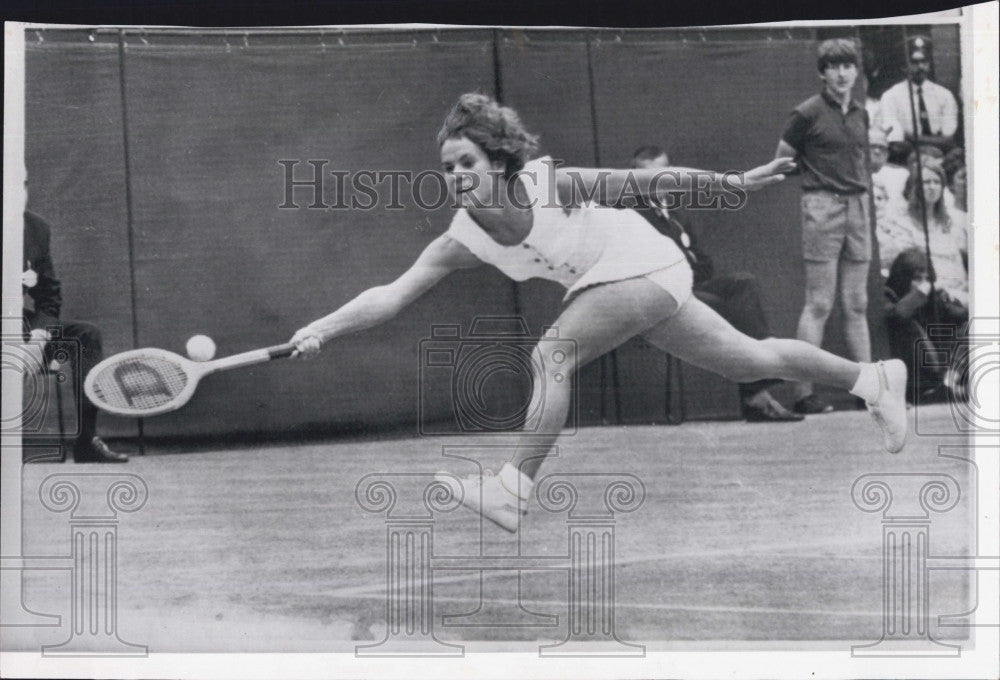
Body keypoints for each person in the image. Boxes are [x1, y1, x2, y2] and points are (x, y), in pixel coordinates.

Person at [290, 94, 908, 533]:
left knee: (551, 354)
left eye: (468, 163)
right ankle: (874, 379)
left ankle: (512, 490)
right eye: (448, 167)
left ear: (498, 163)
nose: (456, 175)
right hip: (630, 284)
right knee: (753, 362)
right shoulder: (462, 239)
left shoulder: (548, 183)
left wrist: (737, 182)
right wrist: (322, 327)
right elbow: (391, 295)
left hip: (643, 263)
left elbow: (653, 187)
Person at [628, 145, 802, 422]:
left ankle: (759, 371)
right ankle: (758, 391)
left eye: (663, 174)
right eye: (648, 176)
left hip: (693, 284)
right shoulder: (632, 214)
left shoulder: (675, 211)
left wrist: (691, 270)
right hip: (663, 292)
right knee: (722, 306)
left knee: (743, 285)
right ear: (634, 176)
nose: (657, 182)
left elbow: (704, 261)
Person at [775, 39, 873, 415]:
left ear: (856, 70)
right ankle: (803, 393)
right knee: (819, 302)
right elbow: (783, 160)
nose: (842, 72)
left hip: (858, 208)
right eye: (833, 66)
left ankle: (868, 389)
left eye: (848, 65)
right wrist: (818, 181)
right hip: (822, 207)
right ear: (822, 72)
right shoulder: (807, 113)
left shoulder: (862, 113)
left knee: (857, 303)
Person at [23, 209, 128, 463]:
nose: (18, 191)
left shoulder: (36, 228)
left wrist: (37, 339)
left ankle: (86, 441)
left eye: (23, 184)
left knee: (85, 335)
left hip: (19, 326)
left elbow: (48, 296)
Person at [883, 247, 967, 404]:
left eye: (925, 279)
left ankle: (949, 381)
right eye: (917, 278)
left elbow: (960, 315)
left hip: (938, 363)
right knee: (909, 325)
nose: (922, 284)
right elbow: (898, 314)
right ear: (903, 277)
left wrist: (948, 299)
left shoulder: (929, 295)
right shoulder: (888, 294)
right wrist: (921, 293)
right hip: (910, 373)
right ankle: (939, 384)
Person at [896, 160, 969, 308]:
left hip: (962, 293)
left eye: (936, 182)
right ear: (914, 186)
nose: (932, 187)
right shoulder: (901, 223)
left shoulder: (955, 220)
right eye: (926, 182)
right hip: (929, 298)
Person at [880, 35, 959, 158]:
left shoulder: (945, 95)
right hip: (907, 159)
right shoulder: (891, 97)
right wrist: (935, 141)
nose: (921, 67)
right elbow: (897, 143)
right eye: (914, 62)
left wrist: (911, 137)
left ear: (929, 64)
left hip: (942, 157)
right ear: (904, 65)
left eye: (924, 61)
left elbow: (948, 140)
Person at [869, 127, 909, 214]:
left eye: (882, 147)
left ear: (887, 153)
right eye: (872, 146)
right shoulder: (851, 174)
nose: (877, 151)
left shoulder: (901, 175)